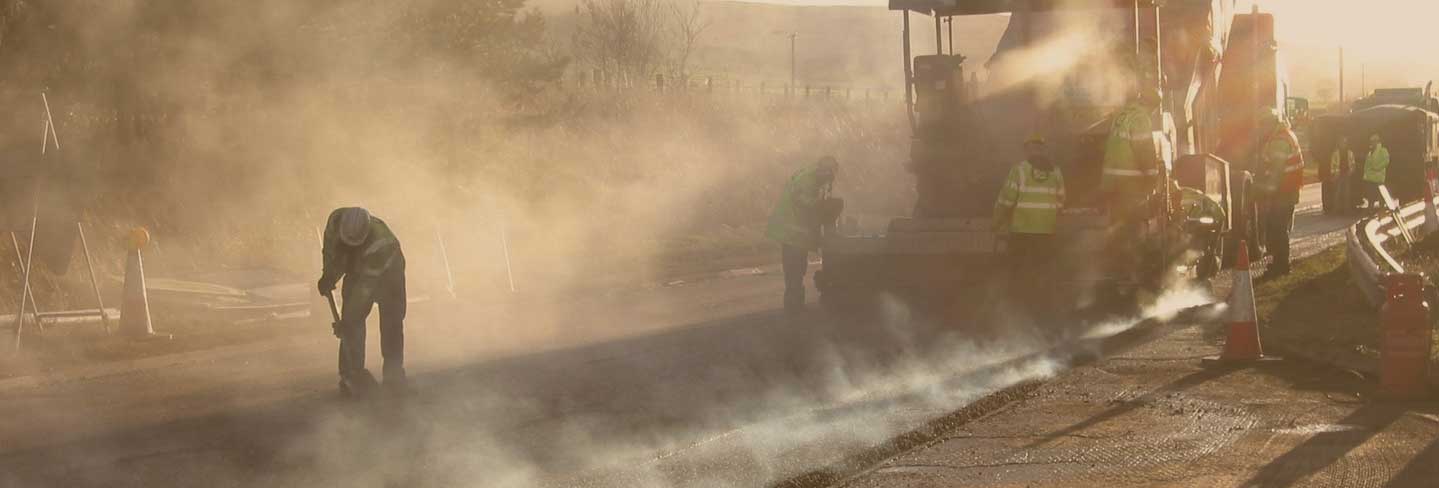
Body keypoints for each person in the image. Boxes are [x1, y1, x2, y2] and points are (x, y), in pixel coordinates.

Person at [318, 207, 408, 397]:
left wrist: (347, 321)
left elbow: (364, 289)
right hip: (358, 269)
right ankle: (351, 374)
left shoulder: (381, 243)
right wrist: (328, 275)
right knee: (352, 326)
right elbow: (331, 252)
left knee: (391, 322)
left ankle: (393, 377)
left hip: (390, 272)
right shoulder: (335, 222)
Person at [994, 135, 1065, 312]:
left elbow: (1006, 200)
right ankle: (1042, 307)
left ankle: (1017, 306)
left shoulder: (1019, 170)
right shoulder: (1056, 172)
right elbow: (1061, 200)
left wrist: (997, 221)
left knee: (1017, 272)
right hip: (1046, 231)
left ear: (1027, 150)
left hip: (1022, 231)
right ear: (1043, 150)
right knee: (1043, 272)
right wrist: (1048, 216)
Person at [766, 157, 842, 315]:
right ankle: (794, 309)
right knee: (794, 271)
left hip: (795, 235)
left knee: (797, 270)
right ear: (825, 171)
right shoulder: (807, 180)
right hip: (792, 234)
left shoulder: (811, 177)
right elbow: (802, 202)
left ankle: (795, 306)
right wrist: (821, 206)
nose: (829, 180)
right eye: (829, 176)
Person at [1255, 109, 1304, 278]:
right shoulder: (1286, 135)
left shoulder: (1279, 141)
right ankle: (1279, 262)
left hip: (1284, 191)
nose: (1261, 129)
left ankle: (1281, 265)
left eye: (1263, 125)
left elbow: (1276, 170)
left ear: (1270, 124)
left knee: (1278, 228)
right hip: (1288, 190)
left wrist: (1264, 190)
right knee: (1278, 227)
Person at [1101, 88, 1160, 211]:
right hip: (1130, 184)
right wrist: (1152, 179)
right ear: (1151, 105)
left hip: (1111, 182)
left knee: (1117, 219)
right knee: (1133, 221)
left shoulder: (1121, 115)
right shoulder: (1140, 118)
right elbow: (1145, 151)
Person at [1363, 134, 1390, 209]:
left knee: (1381, 195)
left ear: (1377, 141)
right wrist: (1365, 174)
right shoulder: (1370, 152)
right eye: (1371, 141)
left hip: (1379, 178)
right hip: (1370, 178)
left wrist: (1377, 168)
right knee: (1370, 195)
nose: (1371, 143)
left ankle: (1382, 210)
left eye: (1373, 141)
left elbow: (1386, 161)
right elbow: (1367, 164)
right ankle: (1370, 209)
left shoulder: (1383, 150)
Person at [1330, 136, 1355, 213]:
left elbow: (1353, 163)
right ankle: (1336, 209)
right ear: (1339, 143)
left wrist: (1351, 171)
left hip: (1347, 174)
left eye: (1344, 142)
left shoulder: (1350, 153)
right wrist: (1334, 174)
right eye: (1342, 142)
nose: (1343, 144)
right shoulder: (1335, 153)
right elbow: (1332, 164)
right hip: (1338, 175)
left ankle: (1347, 209)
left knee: (1347, 193)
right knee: (1337, 193)